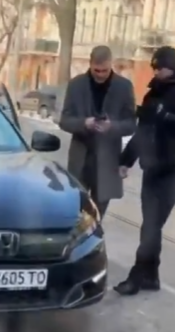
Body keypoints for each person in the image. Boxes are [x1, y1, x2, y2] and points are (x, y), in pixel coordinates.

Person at [114, 46, 175, 296]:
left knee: (151, 225)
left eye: (161, 68)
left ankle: (136, 277)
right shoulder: (152, 95)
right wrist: (125, 161)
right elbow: (142, 132)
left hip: (174, 169)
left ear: (173, 66)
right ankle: (151, 276)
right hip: (152, 167)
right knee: (151, 224)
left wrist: (168, 117)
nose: (156, 72)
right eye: (154, 68)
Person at [59, 45, 136, 219]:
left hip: (107, 163)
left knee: (96, 217)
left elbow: (131, 124)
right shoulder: (76, 85)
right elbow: (64, 120)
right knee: (75, 212)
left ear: (111, 64)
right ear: (90, 64)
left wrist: (112, 126)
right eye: (96, 70)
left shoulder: (124, 87)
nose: (100, 75)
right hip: (80, 161)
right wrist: (83, 123)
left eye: (104, 71)